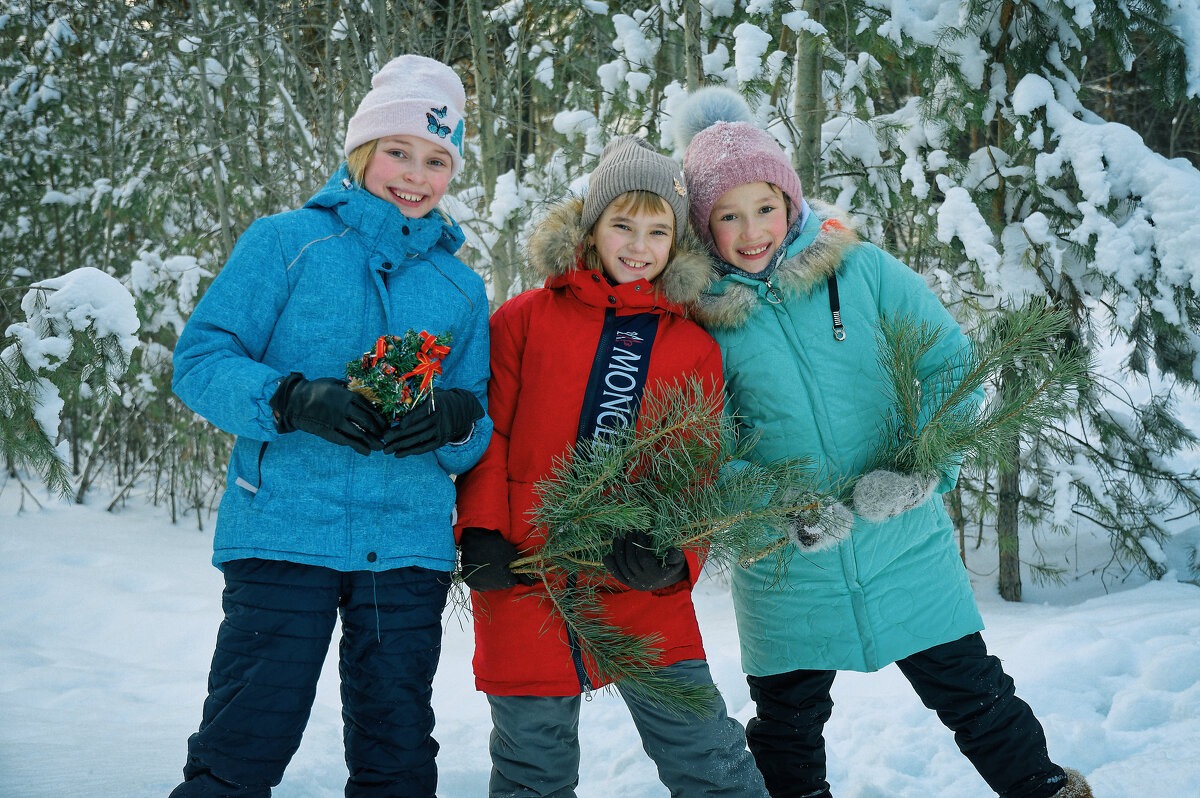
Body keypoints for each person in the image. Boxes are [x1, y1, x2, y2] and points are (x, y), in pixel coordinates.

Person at [674, 86, 1094, 798]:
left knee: (975, 694)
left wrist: (923, 466)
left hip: (904, 542)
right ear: (702, 225)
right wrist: (773, 508)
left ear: (791, 202)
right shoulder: (698, 317)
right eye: (729, 217)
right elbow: (704, 442)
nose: (753, 233)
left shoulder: (860, 272)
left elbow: (947, 365)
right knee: (788, 723)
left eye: (766, 209)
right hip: (791, 563)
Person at [168, 54, 491, 798]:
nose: (415, 174)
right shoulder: (285, 242)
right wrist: (291, 399)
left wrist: (452, 419)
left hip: (407, 541)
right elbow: (201, 361)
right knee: (248, 729)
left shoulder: (459, 285)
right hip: (285, 526)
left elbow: (477, 421)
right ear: (361, 152)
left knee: (397, 742)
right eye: (398, 151)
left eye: (437, 160)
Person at [452, 136, 770, 798]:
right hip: (524, 575)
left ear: (677, 241)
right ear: (591, 228)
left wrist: (673, 552)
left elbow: (694, 474)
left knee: (709, 756)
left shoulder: (691, 347)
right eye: (621, 224)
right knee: (531, 765)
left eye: (657, 230)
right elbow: (493, 432)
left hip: (638, 586)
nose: (638, 244)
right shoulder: (523, 320)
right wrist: (479, 528)